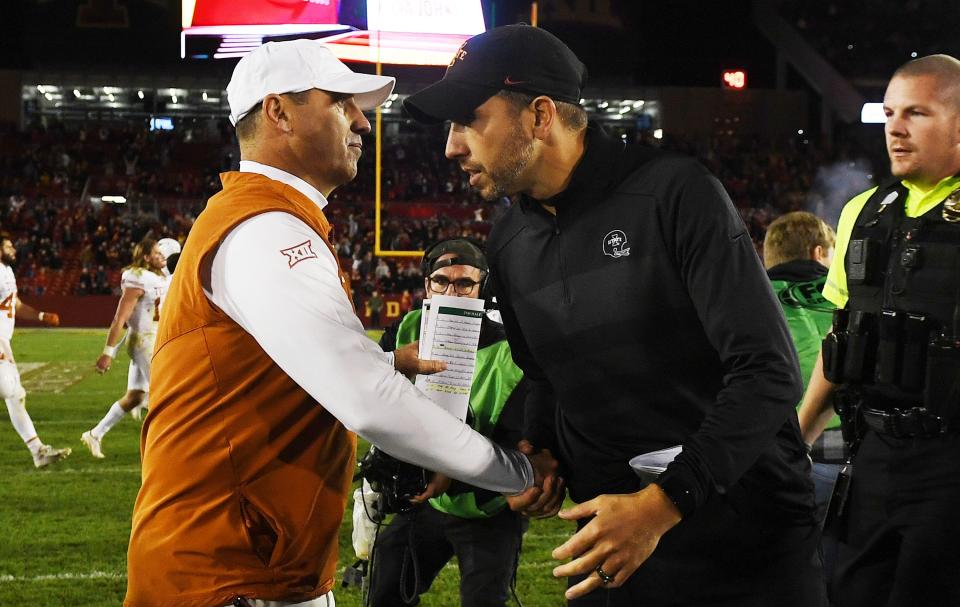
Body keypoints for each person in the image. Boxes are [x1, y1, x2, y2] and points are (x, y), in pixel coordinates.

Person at [125, 39, 555, 607]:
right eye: (340, 103)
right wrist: (515, 472)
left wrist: (379, 361)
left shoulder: (266, 219)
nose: (362, 122)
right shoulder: (266, 228)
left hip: (263, 561)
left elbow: (283, 371)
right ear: (278, 111)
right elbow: (369, 401)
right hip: (229, 572)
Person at [405, 24, 822, 607]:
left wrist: (660, 506)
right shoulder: (508, 239)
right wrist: (540, 447)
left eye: (468, 119)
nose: (451, 146)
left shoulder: (675, 195)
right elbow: (546, 376)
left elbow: (767, 371)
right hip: (608, 541)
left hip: (741, 535)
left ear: (540, 115)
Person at [798, 54, 960, 607]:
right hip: (870, 462)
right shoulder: (863, 213)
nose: (895, 127)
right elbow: (844, 341)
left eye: (917, 112)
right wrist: (796, 437)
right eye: (890, 112)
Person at [368, 238, 538, 607]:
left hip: (485, 501)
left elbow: (516, 446)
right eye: (441, 280)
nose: (452, 291)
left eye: (464, 283)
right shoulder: (407, 329)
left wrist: (448, 469)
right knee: (386, 585)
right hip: (427, 497)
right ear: (427, 285)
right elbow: (379, 402)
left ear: (483, 289)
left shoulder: (512, 352)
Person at [764, 211, 844, 501]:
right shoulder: (847, 297)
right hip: (846, 443)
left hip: (770, 451)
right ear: (819, 252)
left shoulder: (747, 298)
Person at [82, 238, 169, 458]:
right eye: (157, 253)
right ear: (146, 257)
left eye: (162, 253)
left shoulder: (160, 276)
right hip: (143, 343)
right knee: (166, 394)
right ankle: (165, 449)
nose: (162, 256)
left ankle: (94, 434)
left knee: (136, 397)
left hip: (151, 339)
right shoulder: (137, 278)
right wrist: (108, 352)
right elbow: (121, 318)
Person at [0, 237, 68, 468]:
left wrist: (40, 316)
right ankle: (37, 451)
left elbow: (15, 305)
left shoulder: (7, 271)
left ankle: (37, 451)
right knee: (10, 390)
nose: (14, 249)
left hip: (3, 341)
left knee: (15, 394)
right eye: (8, 246)